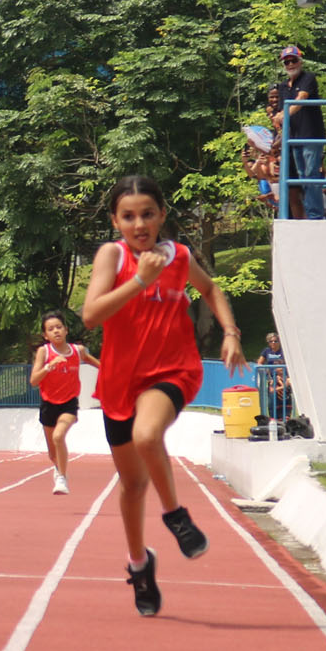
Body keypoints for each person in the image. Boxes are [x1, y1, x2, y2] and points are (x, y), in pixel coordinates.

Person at [82, 176, 246, 617]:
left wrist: (230, 331)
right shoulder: (111, 256)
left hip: (172, 370)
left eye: (148, 214)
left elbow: (210, 289)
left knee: (148, 435)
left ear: (162, 216)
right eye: (129, 216)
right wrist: (138, 281)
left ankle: (175, 515)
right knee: (132, 484)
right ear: (116, 220)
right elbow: (91, 316)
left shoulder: (179, 256)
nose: (139, 224)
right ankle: (140, 564)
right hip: (119, 381)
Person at [28, 309, 100, 496]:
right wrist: (49, 367)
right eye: (51, 329)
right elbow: (34, 381)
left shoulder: (78, 351)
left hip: (69, 403)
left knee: (59, 436)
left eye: (59, 327)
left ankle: (62, 477)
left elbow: (97, 364)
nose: (56, 331)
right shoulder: (44, 352)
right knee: (53, 453)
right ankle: (59, 469)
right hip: (48, 404)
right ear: (45, 335)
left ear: (66, 330)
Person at [273, 45, 326, 220]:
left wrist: (283, 114)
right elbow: (281, 114)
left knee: (311, 174)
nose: (290, 64)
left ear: (300, 61)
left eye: (293, 60)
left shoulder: (308, 78)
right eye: (286, 62)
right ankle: (311, 213)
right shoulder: (282, 87)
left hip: (311, 135)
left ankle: (316, 215)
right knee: (302, 176)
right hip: (294, 138)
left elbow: (301, 99)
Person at [258, 331, 292, 422]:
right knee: (272, 398)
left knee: (285, 393)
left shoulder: (283, 351)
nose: (273, 343)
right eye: (271, 341)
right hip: (272, 378)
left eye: (275, 341)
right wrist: (266, 373)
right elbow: (259, 363)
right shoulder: (266, 351)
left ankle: (286, 418)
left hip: (284, 377)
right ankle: (274, 418)